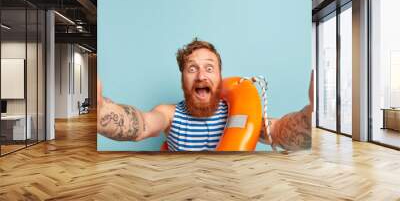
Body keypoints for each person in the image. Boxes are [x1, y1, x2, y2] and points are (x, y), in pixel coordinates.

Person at [97, 38, 313, 151]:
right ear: (183, 78)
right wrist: (102, 110)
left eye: (209, 68)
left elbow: (278, 131)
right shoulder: (169, 115)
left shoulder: (239, 114)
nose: (201, 76)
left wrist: (312, 113)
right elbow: (142, 124)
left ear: (220, 76)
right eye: (192, 69)